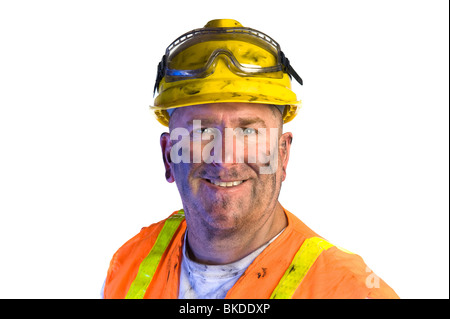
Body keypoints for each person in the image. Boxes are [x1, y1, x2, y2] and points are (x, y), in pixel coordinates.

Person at [102, 19, 399, 299]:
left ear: (282, 154)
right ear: (168, 156)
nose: (225, 158)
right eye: (201, 130)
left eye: (248, 131)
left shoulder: (347, 289)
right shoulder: (130, 263)